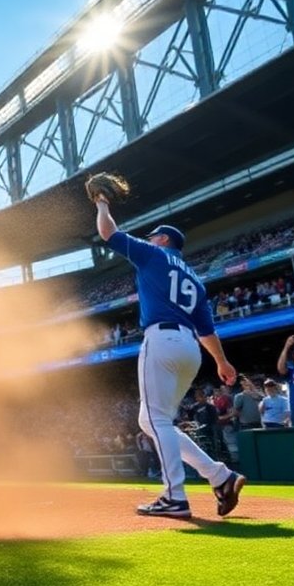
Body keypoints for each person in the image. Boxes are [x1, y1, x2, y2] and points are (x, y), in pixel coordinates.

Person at [93, 196, 245, 519]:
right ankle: (220, 476)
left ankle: (174, 496)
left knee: (156, 420)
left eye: (153, 236)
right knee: (152, 420)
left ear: (163, 240)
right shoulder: (196, 280)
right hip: (191, 349)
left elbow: (108, 233)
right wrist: (221, 361)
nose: (149, 240)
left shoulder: (154, 254)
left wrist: (102, 204)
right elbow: (207, 330)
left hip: (161, 339)